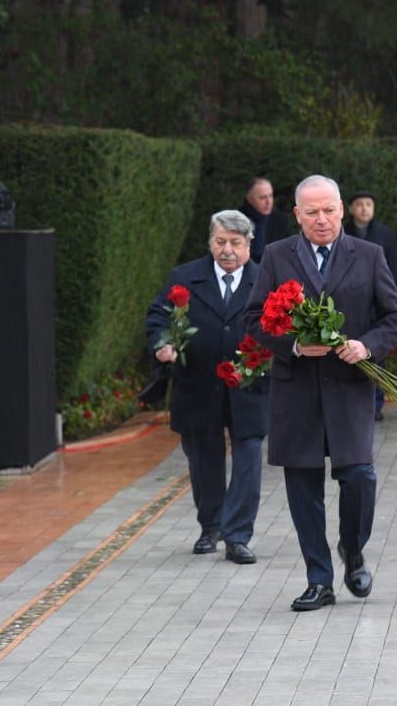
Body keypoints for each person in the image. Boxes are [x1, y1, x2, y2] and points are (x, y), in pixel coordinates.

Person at [243, 175, 397, 612]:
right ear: (296, 214)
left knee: (359, 477)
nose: (322, 220)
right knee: (302, 486)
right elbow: (255, 317)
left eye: (329, 210)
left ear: (342, 209)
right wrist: (294, 345)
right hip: (296, 391)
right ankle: (319, 580)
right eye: (312, 212)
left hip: (350, 387)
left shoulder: (369, 255)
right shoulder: (278, 256)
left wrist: (366, 345)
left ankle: (352, 550)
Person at [146, 210, 269, 564]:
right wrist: (162, 343)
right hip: (198, 385)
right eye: (220, 242)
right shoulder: (185, 277)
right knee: (203, 459)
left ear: (249, 245)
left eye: (235, 243)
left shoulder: (265, 280)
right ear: (210, 242)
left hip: (250, 386)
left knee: (248, 458)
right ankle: (211, 526)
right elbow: (159, 315)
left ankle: (238, 535)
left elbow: (283, 323)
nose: (227, 250)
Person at [346, 190, 397, 421]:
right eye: (359, 204)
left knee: (376, 355)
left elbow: (394, 270)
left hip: (377, 304)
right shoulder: (341, 233)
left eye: (369, 204)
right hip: (348, 304)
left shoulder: (385, 234)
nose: (364, 209)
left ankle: (376, 403)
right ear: (350, 209)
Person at [240, 177, 293, 263]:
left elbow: (288, 252)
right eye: (262, 198)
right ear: (250, 199)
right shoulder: (237, 220)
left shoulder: (281, 220)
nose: (268, 202)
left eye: (270, 196)